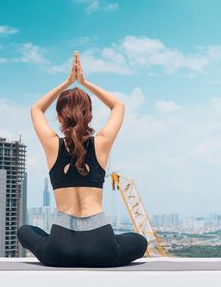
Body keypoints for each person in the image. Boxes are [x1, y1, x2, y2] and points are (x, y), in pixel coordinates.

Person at [17, 51, 148, 267]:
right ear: (90, 115)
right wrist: (84, 82)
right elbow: (119, 106)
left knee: (25, 231)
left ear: (59, 116)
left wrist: (67, 82)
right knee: (139, 241)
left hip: (59, 249)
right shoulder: (102, 143)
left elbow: (36, 109)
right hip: (102, 247)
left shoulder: (52, 145)